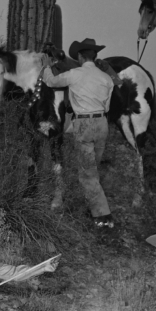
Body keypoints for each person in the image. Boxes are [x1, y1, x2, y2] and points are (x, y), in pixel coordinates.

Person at [42, 37, 119, 228]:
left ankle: (103, 217)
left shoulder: (74, 74)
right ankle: (93, 205)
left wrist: (46, 66)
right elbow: (108, 104)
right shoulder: (106, 78)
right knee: (93, 169)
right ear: (95, 56)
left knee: (87, 174)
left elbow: (51, 82)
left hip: (84, 125)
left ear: (79, 56)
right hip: (102, 123)